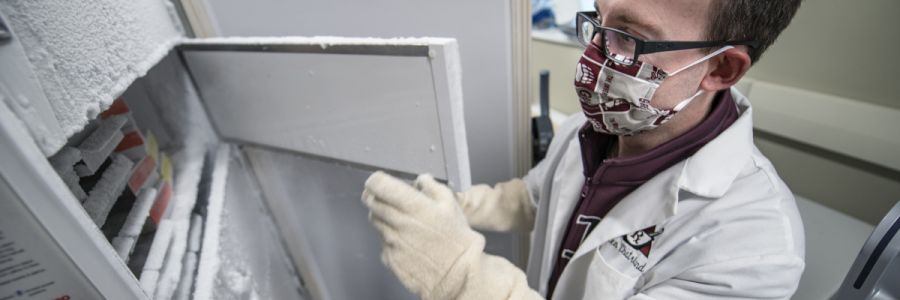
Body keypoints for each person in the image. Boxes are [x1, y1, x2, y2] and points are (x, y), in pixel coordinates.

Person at [360, 0, 805, 298]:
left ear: (722, 67)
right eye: (598, 17)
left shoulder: (754, 246)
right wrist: (462, 206)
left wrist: (459, 275)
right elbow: (537, 196)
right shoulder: (594, 127)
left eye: (629, 36)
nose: (593, 54)